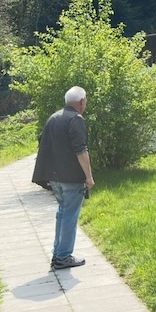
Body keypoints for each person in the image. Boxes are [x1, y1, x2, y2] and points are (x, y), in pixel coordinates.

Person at [31, 86, 94, 270]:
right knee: (69, 216)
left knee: (62, 213)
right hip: (71, 178)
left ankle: (58, 254)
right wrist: (89, 176)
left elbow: (43, 142)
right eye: (85, 100)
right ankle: (63, 257)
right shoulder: (76, 119)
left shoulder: (54, 117)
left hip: (54, 177)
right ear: (81, 101)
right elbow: (81, 150)